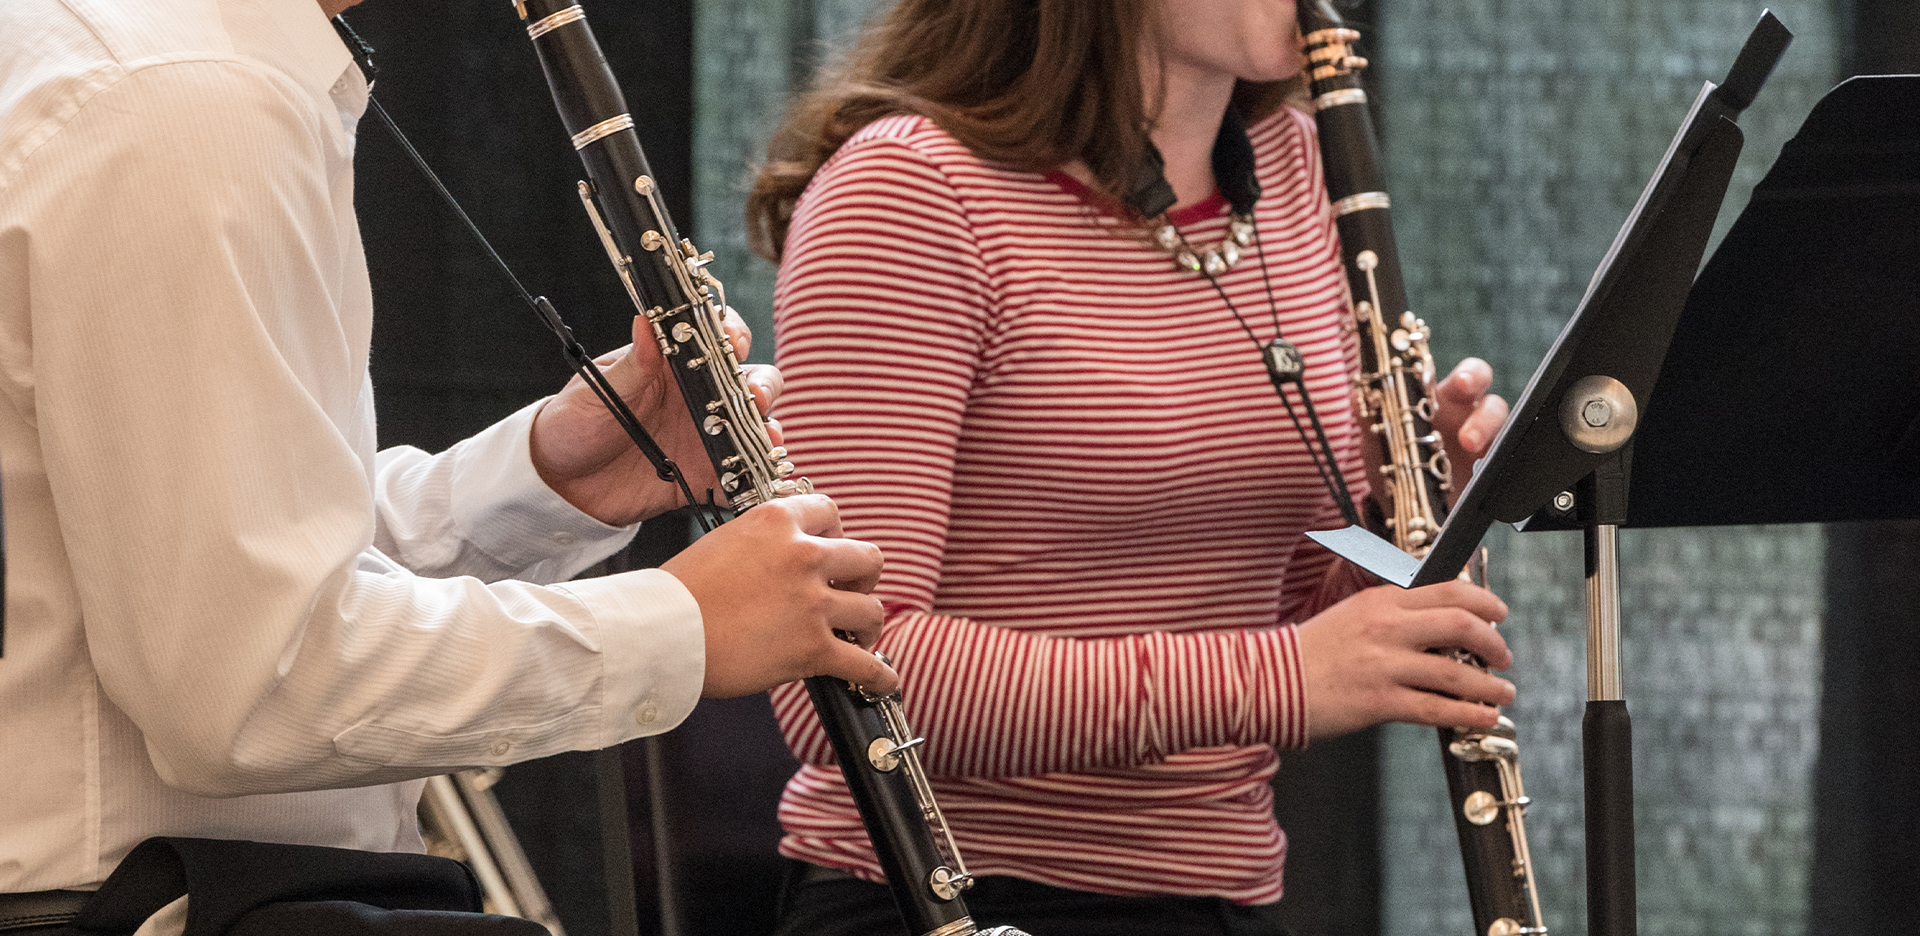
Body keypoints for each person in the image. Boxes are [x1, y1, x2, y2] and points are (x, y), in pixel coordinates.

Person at [0, 0, 896, 930]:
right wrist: (677, 624)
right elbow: (255, 682)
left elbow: (211, 557)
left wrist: (547, 483)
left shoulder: (123, 54)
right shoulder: (184, 101)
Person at [746, 1, 1516, 933]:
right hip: (941, 896)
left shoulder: (1298, 163)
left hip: (1219, 891)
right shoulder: (907, 193)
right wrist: (1279, 678)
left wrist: (1404, 540)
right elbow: (833, 670)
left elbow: (1275, 598)